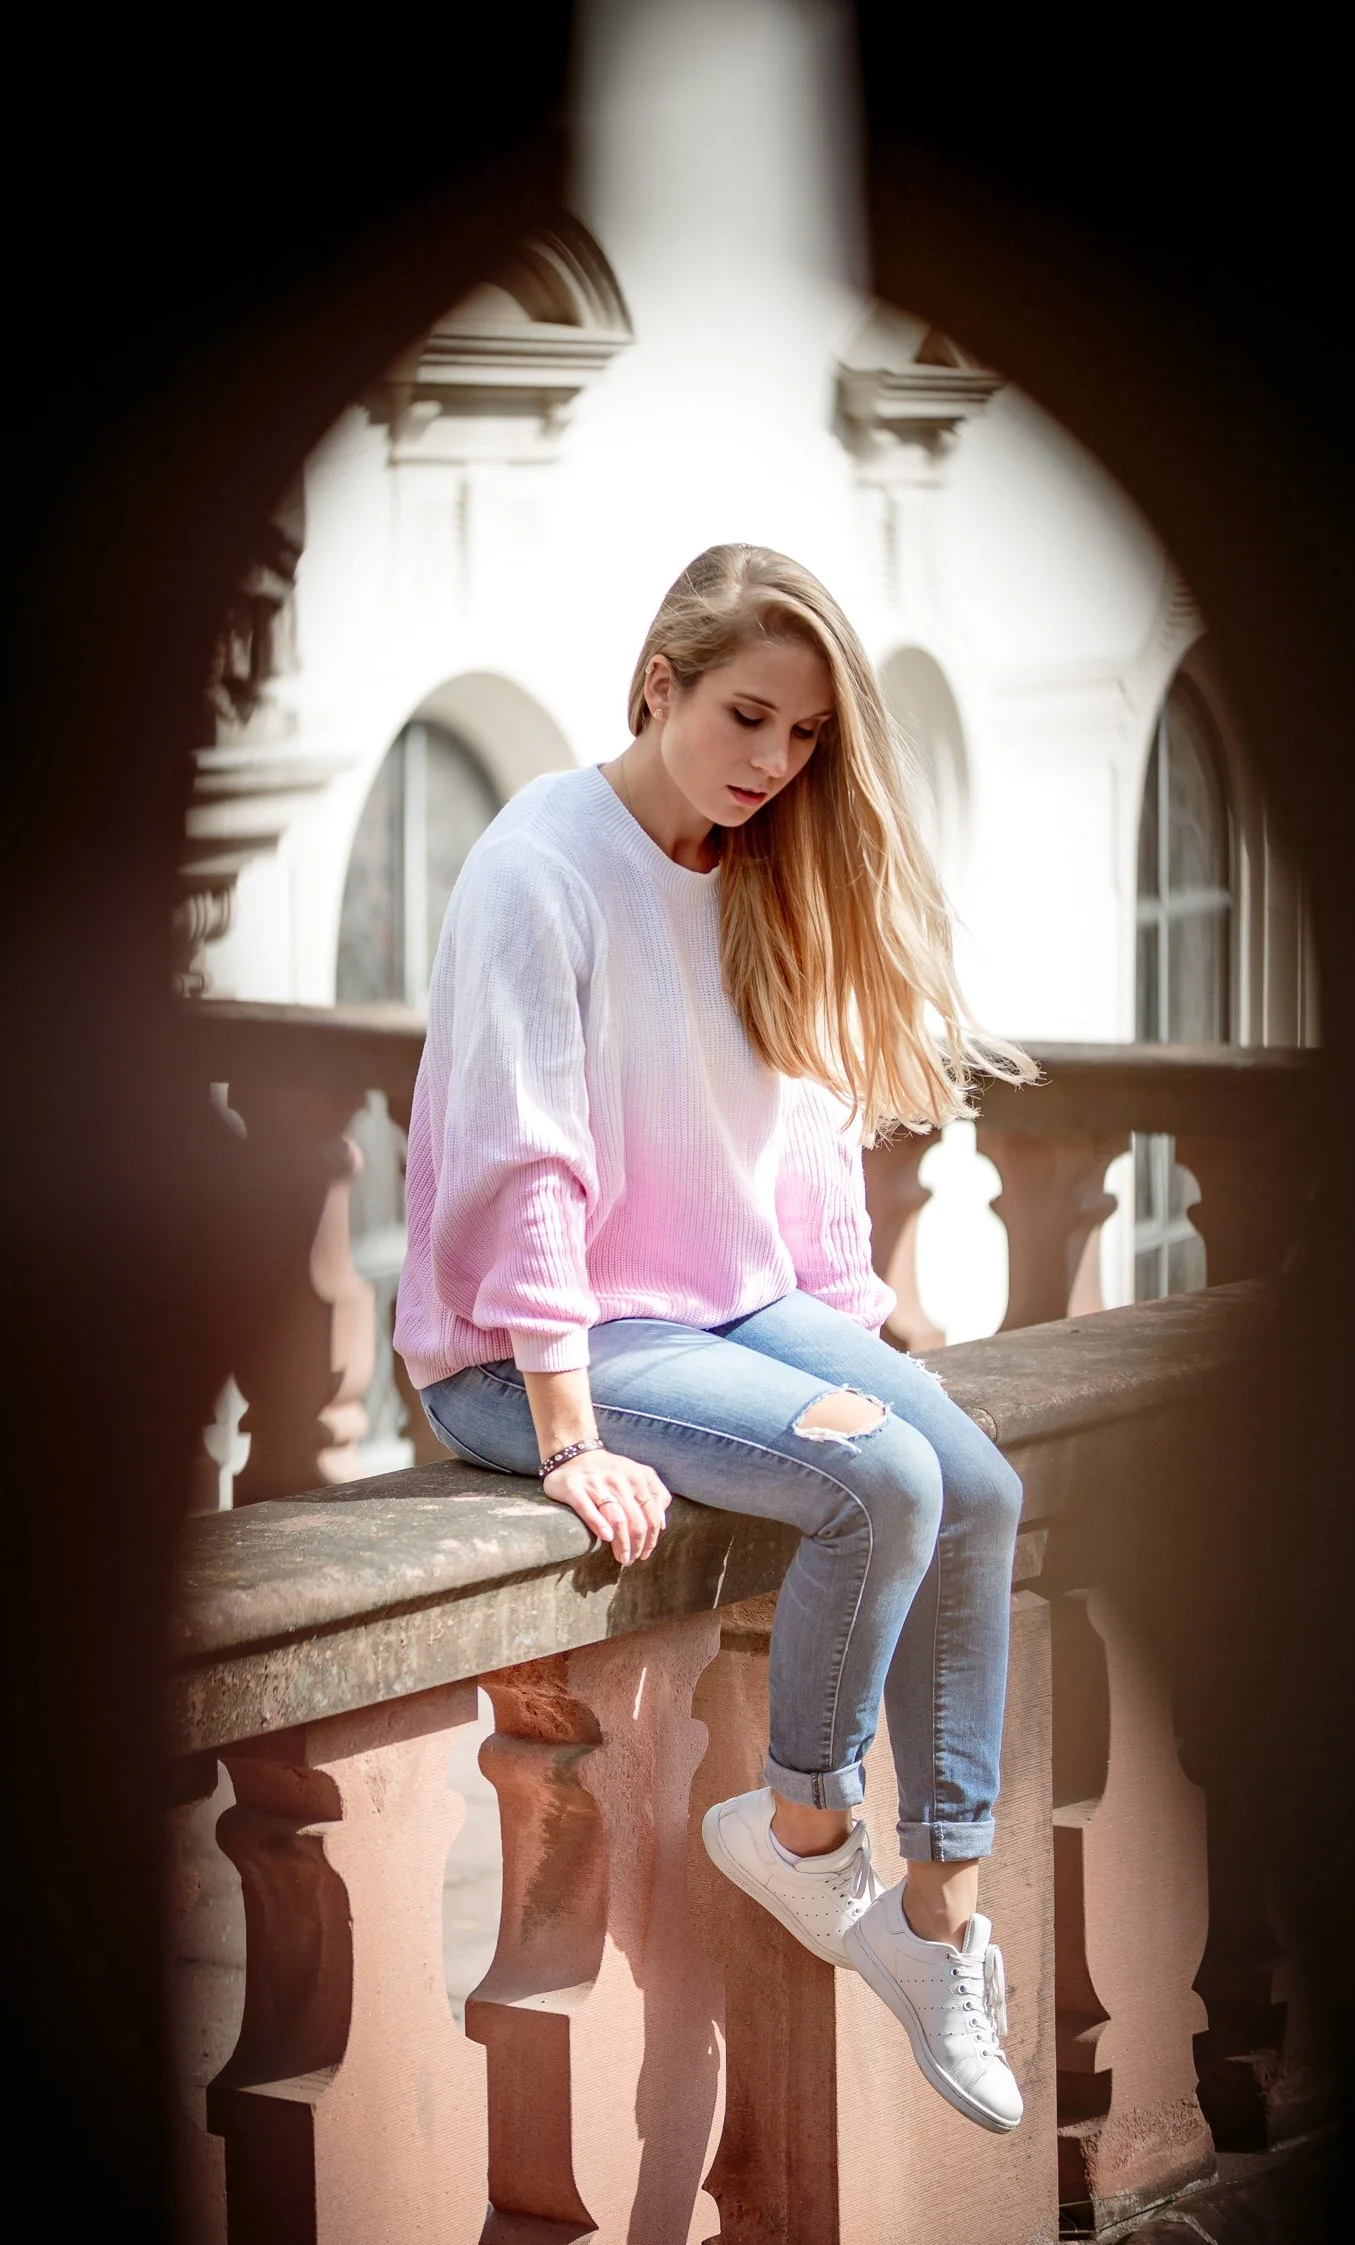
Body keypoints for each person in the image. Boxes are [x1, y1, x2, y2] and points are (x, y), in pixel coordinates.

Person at [396, 543, 1036, 2131]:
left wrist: (850, 1324)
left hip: (725, 1308)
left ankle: (940, 1910)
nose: (773, 763)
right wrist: (564, 1432)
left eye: (806, 738)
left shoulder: (753, 867)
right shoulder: (537, 861)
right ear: (657, 683)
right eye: (747, 717)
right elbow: (519, 1154)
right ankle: (803, 1832)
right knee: (881, 1480)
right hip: (536, 1347)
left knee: (979, 1482)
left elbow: (802, 1125)